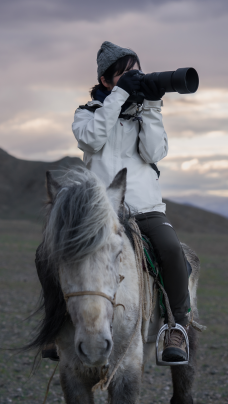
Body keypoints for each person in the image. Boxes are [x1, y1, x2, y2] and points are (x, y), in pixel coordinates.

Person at [71, 41, 191, 363]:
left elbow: (154, 153)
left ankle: (176, 328)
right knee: (51, 252)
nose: (133, 79)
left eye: (136, 73)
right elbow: (93, 139)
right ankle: (58, 326)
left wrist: (151, 106)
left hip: (145, 209)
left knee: (172, 250)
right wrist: (120, 96)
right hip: (100, 210)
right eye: (124, 74)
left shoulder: (143, 114)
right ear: (107, 81)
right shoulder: (87, 114)